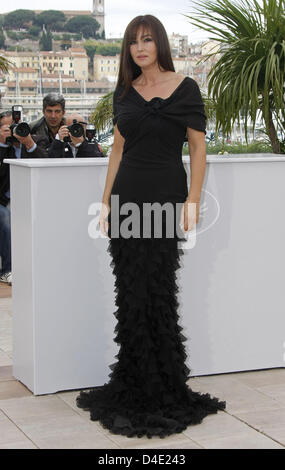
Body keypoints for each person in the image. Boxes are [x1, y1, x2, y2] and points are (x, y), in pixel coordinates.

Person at [76, 15, 226, 438]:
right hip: (126, 201)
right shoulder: (125, 92)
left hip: (164, 200)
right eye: (133, 42)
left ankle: (163, 386)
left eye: (147, 40)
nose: (140, 48)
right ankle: (135, 380)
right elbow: (117, 151)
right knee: (129, 292)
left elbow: (198, 149)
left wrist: (192, 200)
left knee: (158, 290)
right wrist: (105, 203)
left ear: (159, 43)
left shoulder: (186, 88)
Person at [0, 111, 48, 284]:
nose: (14, 130)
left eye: (16, 125)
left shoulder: (38, 140)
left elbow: (45, 163)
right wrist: (3, 145)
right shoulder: (3, 147)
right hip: (6, 201)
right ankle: (7, 269)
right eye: (8, 127)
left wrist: (28, 143)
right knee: (5, 218)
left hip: (32, 199)